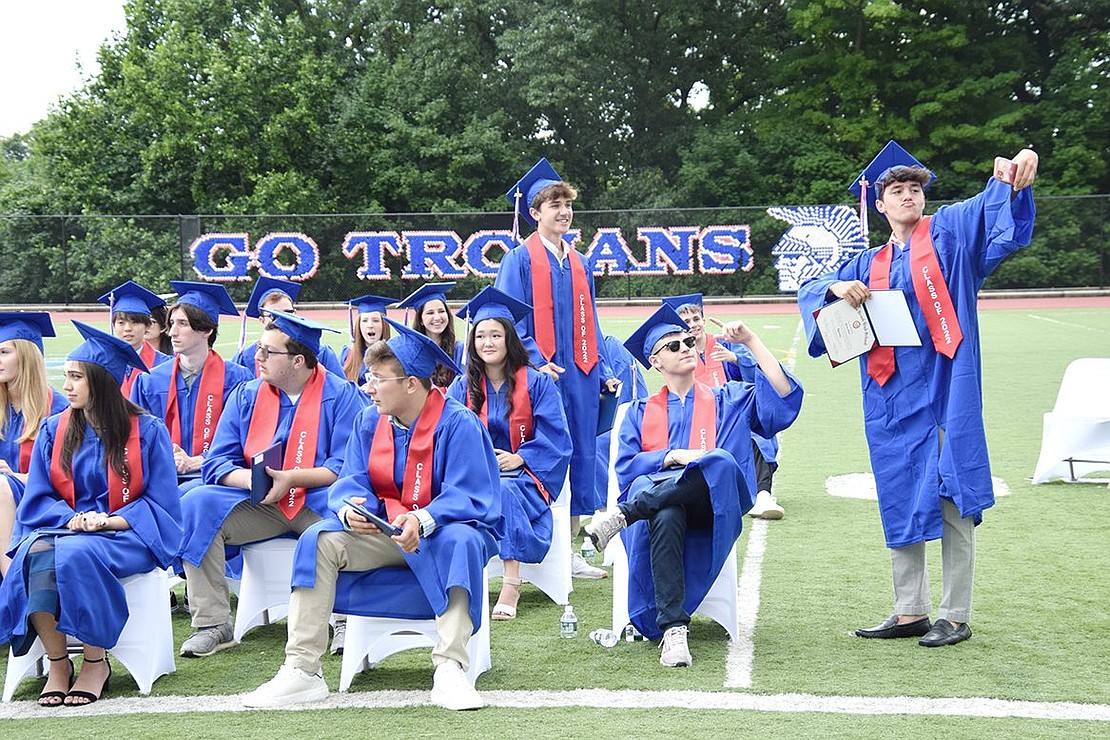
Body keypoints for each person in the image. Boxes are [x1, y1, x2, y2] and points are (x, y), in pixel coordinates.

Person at [796, 140, 1038, 647]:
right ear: (879, 204)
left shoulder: (947, 236)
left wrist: (1012, 178)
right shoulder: (864, 263)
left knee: (953, 491)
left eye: (914, 189)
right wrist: (834, 289)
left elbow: (992, 213)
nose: (908, 195)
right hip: (890, 396)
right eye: (896, 190)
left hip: (949, 386)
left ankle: (955, 612)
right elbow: (813, 291)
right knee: (899, 490)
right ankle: (911, 611)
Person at [242, 318, 501, 711]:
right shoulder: (369, 420)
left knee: (463, 540)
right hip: (385, 533)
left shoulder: (457, 424)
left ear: (411, 383)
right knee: (320, 539)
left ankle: (450, 668)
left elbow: (471, 495)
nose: (368, 388)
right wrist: (351, 511)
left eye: (378, 379)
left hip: (443, 533)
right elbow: (350, 481)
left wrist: (423, 519)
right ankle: (302, 669)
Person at [585, 305, 802, 666]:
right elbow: (625, 468)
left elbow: (781, 394)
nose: (686, 347)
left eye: (688, 341)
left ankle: (623, 515)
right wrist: (671, 456)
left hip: (715, 509)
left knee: (717, 460)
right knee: (668, 513)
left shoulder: (727, 399)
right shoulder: (639, 410)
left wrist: (750, 340)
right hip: (661, 515)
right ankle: (673, 632)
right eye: (674, 346)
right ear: (656, 361)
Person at [0, 321, 181, 706]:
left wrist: (106, 521)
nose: (66, 386)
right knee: (36, 553)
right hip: (67, 528)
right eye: (65, 376)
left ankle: (96, 661)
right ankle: (59, 661)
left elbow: (163, 503)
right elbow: (38, 497)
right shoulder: (54, 429)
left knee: (75, 552)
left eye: (75, 377)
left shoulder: (147, 431)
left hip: (126, 534)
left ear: (100, 382)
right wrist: (72, 519)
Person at [177, 310, 365, 658]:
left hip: (318, 500)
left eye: (268, 351)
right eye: (258, 348)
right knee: (195, 503)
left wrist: (292, 479)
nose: (256, 357)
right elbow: (217, 461)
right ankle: (213, 622)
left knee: (350, 514)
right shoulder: (247, 395)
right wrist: (252, 479)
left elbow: (345, 466)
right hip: (261, 503)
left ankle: (345, 619)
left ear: (297, 361)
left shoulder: (341, 396)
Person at [495, 158, 619, 580]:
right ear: (535, 213)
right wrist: (533, 361)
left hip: (582, 375)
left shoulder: (580, 261)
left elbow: (591, 319)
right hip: (539, 378)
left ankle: (570, 551)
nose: (563, 211)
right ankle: (539, 544)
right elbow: (509, 320)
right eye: (554, 205)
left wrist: (601, 368)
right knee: (546, 454)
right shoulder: (519, 260)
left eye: (567, 204)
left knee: (583, 455)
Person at [447, 286, 571, 620]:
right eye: (480, 336)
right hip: (474, 479)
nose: (487, 343)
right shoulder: (461, 387)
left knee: (506, 489)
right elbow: (448, 437)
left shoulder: (537, 383)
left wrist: (522, 457)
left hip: (526, 480)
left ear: (509, 340)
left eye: (495, 335)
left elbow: (557, 438)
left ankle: (511, 583)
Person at [661, 294, 785, 520]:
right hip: (699, 418)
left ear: (704, 321)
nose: (693, 325)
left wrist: (736, 359)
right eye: (686, 322)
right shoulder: (677, 353)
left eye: (696, 319)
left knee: (759, 437)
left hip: (733, 412)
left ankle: (763, 494)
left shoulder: (722, 343)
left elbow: (756, 379)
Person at [130, 282, 253, 490]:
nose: (172, 332)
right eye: (172, 323)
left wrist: (200, 460)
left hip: (218, 480)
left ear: (206, 330)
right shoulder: (150, 380)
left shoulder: (238, 380)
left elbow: (247, 439)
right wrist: (167, 457)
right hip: (160, 478)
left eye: (182, 324)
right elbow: (136, 437)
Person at [0, 313, 68, 576]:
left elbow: (69, 480)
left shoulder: (60, 410)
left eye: (4, 352)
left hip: (40, 503)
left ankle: (10, 582)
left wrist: (16, 477)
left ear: (27, 357)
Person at [232, 276, 345, 378]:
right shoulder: (246, 358)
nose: (282, 320)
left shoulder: (321, 353)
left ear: (295, 314)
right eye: (273, 315)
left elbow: (342, 392)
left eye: (287, 313)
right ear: (262, 320)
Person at [593, 333, 647, 511]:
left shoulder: (612, 347)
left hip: (612, 420)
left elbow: (629, 399)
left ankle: (605, 507)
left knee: (600, 442)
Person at [96, 280, 173, 396]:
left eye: (135, 323)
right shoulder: (102, 363)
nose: (127, 328)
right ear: (114, 325)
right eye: (121, 323)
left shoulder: (166, 364)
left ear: (147, 326)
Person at [397, 282, 465, 388]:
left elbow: (463, 386)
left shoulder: (459, 350)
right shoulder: (412, 352)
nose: (437, 317)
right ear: (421, 320)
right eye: (430, 313)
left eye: (441, 311)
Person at [340, 294, 394, 387]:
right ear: (358, 326)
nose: (370, 325)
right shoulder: (347, 355)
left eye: (375, 320)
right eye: (364, 321)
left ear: (384, 325)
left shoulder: (394, 356)